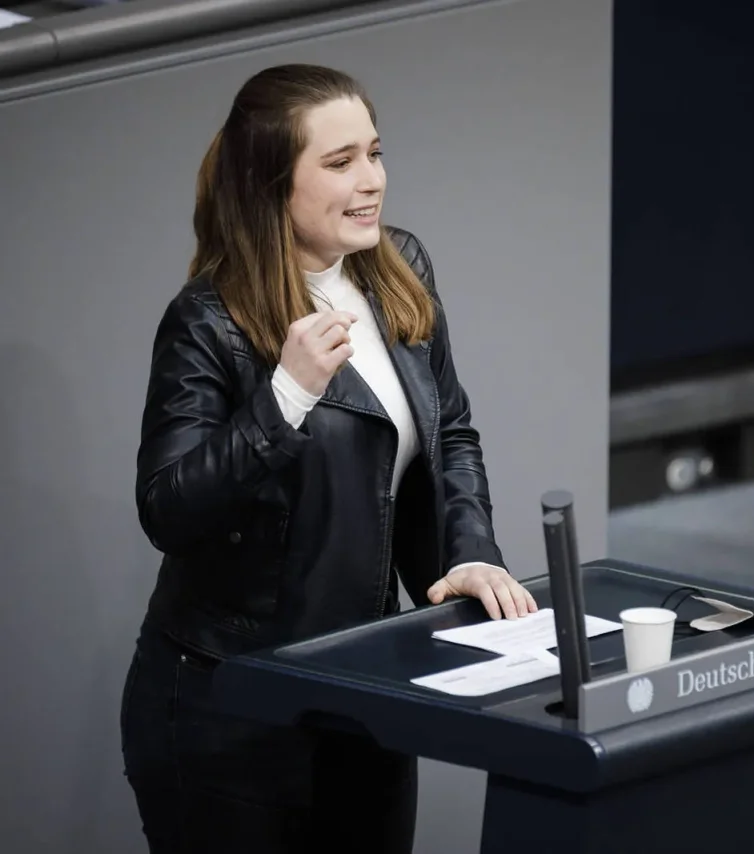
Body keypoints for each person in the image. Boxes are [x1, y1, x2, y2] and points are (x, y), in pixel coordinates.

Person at [119, 63, 537, 854]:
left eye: (375, 154)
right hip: (230, 707)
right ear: (273, 185)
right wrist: (284, 397)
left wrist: (470, 555)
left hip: (363, 688)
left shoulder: (398, 268)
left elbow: (449, 435)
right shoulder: (208, 320)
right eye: (340, 164)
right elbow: (168, 507)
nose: (371, 181)